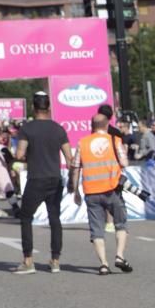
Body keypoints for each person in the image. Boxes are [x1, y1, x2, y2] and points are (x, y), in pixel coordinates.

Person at [14, 91, 73, 273]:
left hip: (36, 178)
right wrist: (72, 180)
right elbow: (69, 158)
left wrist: (29, 156)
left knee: (26, 217)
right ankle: (55, 260)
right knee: (54, 219)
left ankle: (28, 260)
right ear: (48, 107)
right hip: (55, 178)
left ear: (33, 107)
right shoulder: (58, 129)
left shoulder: (27, 128)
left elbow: (19, 154)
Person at [68, 114, 133, 275]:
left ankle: (104, 264)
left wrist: (75, 190)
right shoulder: (114, 141)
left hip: (91, 191)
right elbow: (124, 163)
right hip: (112, 190)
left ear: (92, 126)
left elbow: (75, 167)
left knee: (96, 229)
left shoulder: (82, 143)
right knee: (120, 223)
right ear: (107, 125)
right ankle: (119, 255)